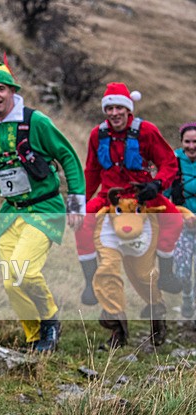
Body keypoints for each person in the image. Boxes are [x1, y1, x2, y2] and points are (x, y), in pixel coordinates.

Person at [0, 59, 85, 352]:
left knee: (23, 270)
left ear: (13, 90)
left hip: (45, 208)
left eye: (1, 88)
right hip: (11, 213)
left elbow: (67, 156)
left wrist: (76, 201)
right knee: (11, 284)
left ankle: (50, 319)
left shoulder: (35, 122)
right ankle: (35, 337)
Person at [75, 83, 183, 304]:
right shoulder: (97, 135)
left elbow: (169, 162)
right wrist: (77, 203)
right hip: (108, 196)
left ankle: (166, 273)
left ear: (128, 109)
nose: (114, 113)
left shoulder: (147, 131)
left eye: (119, 108)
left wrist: (157, 184)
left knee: (174, 219)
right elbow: (92, 171)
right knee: (81, 222)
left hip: (143, 195)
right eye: (110, 108)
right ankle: (90, 283)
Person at [167, 122, 196, 317]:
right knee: (183, 271)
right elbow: (164, 196)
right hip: (182, 226)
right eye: (188, 142)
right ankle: (187, 296)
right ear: (181, 142)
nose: (192, 146)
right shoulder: (173, 162)